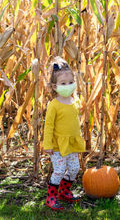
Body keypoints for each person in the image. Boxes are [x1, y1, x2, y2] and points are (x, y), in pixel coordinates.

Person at [43, 56, 86, 211]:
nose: (68, 86)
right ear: (54, 87)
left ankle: (64, 191)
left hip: (72, 143)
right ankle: (51, 197)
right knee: (60, 170)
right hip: (57, 145)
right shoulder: (54, 105)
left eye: (70, 83)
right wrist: (47, 144)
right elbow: (48, 126)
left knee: (74, 168)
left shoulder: (76, 101)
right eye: (63, 84)